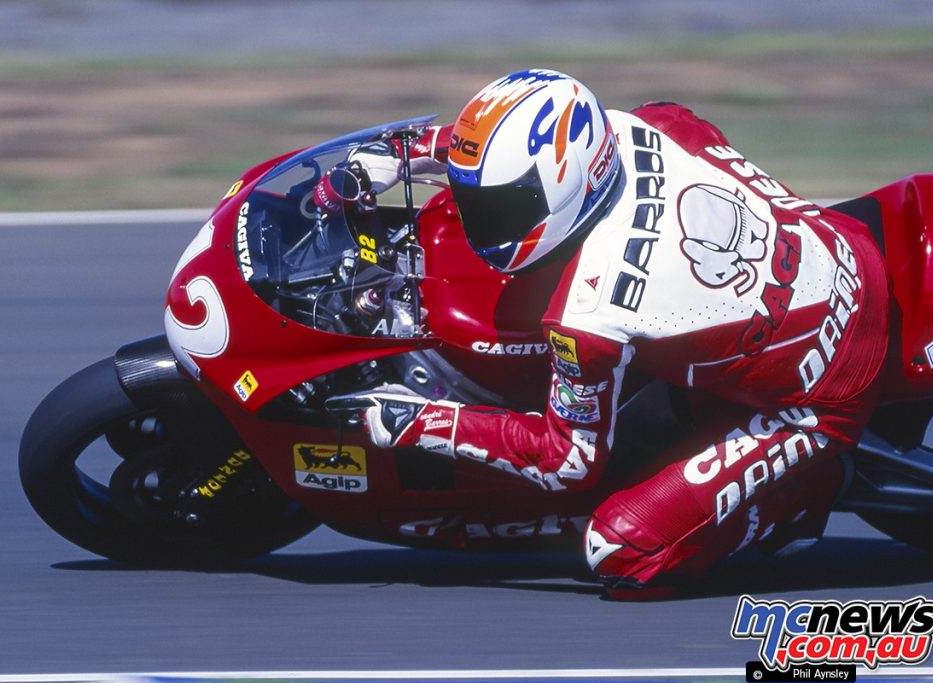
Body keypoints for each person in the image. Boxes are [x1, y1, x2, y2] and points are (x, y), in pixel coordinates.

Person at [350, 68, 891, 600]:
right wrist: (412, 154)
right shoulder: (642, 126)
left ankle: (809, 492)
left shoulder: (587, 314)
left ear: (567, 185)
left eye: (502, 208)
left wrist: (423, 421)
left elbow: (568, 462)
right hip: (842, 243)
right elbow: (533, 152)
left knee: (618, 548)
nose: (481, 224)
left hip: (823, 390)